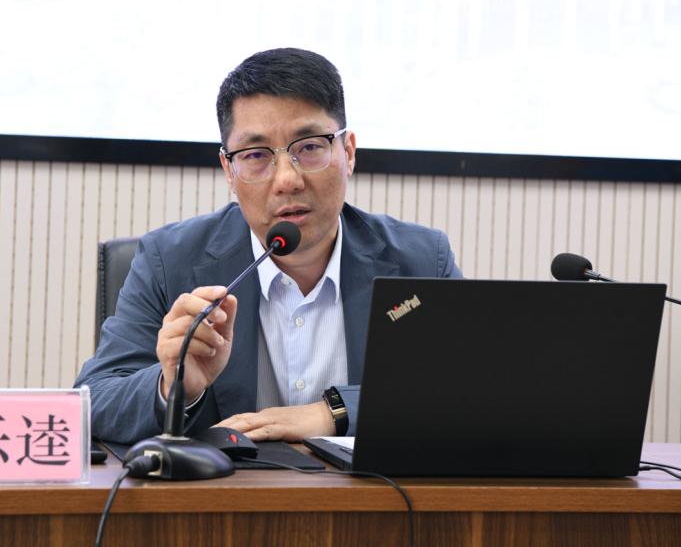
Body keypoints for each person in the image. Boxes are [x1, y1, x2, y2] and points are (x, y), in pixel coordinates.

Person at [75, 48, 461, 444]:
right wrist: (173, 387)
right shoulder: (168, 261)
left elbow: (469, 391)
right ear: (229, 170)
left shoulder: (421, 261)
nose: (287, 180)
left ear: (347, 153)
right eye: (257, 155)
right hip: (228, 484)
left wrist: (336, 411)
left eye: (309, 147)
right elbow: (94, 401)